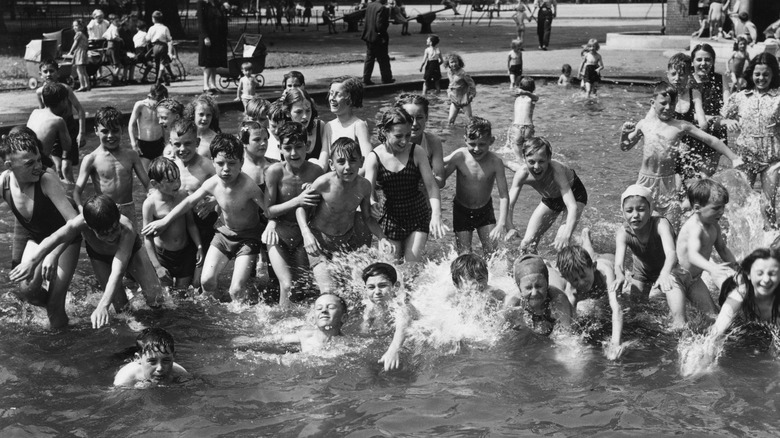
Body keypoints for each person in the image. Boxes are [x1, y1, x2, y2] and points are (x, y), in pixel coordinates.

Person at [143, 134, 266, 303]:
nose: (225, 169)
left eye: (231, 163)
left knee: (236, 290)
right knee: (206, 282)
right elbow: (188, 202)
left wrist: (272, 227)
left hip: (248, 238)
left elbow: (268, 211)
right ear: (213, 161)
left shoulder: (249, 187)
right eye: (220, 163)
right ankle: (214, 313)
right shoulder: (212, 183)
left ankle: (243, 319)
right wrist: (165, 220)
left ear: (241, 163)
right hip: (224, 235)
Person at [12, 195, 164, 329]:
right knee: (120, 306)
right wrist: (32, 261)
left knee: (155, 296)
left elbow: (118, 270)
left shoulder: (127, 228)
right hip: (99, 257)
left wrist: (103, 305)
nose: (111, 237)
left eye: (114, 229)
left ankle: (161, 325)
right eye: (104, 234)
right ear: (90, 227)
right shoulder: (80, 222)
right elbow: (56, 237)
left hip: (132, 253)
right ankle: (135, 327)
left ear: (118, 215)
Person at [620, 82, 742, 223]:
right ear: (652, 103)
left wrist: (733, 157)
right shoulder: (643, 124)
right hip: (645, 181)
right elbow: (625, 147)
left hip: (668, 182)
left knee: (670, 222)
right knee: (640, 222)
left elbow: (711, 140)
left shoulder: (680, 126)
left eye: (672, 104)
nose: (668, 107)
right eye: (663, 103)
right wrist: (624, 134)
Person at [0, 131, 80, 329]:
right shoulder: (4, 183)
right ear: (9, 166)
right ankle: (67, 313)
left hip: (65, 240)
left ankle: (61, 340)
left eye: (38, 160)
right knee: (27, 292)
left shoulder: (47, 180)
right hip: (37, 238)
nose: (38, 166)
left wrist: (52, 254)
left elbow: (74, 223)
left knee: (54, 305)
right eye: (29, 163)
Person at [298, 138, 390, 293]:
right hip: (318, 243)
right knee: (328, 291)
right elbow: (300, 209)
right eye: (341, 162)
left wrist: (382, 237)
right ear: (331, 164)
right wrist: (306, 234)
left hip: (345, 242)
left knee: (354, 290)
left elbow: (367, 218)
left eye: (353, 160)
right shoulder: (323, 183)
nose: (348, 167)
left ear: (361, 161)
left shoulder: (364, 186)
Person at [364, 108, 447, 263]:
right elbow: (367, 191)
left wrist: (436, 214)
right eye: (398, 136)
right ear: (385, 131)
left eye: (408, 135)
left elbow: (432, 186)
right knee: (391, 269)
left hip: (418, 216)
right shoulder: (374, 157)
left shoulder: (417, 152)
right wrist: (372, 203)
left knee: (411, 267)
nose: (404, 141)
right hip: (391, 220)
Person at [263, 122, 324, 307]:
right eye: (287, 148)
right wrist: (297, 200)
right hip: (279, 236)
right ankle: (281, 325)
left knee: (302, 288)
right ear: (280, 148)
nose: (293, 153)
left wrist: (314, 192)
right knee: (287, 285)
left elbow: (320, 208)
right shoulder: (275, 172)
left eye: (298, 147)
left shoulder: (316, 172)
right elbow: (268, 211)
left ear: (308, 146)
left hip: (302, 238)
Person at [721, 53, 780, 226]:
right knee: (742, 203)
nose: (761, 78)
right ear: (751, 74)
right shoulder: (740, 97)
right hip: (746, 157)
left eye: (766, 74)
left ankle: (772, 244)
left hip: (772, 159)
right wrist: (728, 121)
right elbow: (720, 117)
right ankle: (743, 242)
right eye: (757, 74)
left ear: (773, 75)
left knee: (767, 205)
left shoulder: (778, 98)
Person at [669, 179, 737, 328]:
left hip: (694, 280)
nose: (721, 211)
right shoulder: (695, 227)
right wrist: (712, 268)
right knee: (679, 324)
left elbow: (723, 249)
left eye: (723, 207)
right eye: (716, 208)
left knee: (713, 316)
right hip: (676, 279)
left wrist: (738, 268)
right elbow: (693, 255)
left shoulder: (714, 226)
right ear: (697, 208)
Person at [505, 137, 587, 253]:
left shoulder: (556, 171)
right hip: (550, 199)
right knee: (526, 244)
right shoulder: (522, 174)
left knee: (560, 242)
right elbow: (509, 204)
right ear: (524, 158)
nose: (537, 167)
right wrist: (510, 228)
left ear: (549, 158)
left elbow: (572, 206)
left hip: (574, 194)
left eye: (541, 161)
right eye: (532, 162)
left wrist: (566, 235)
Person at [74, 106, 150, 227]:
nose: (110, 136)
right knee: (107, 242)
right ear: (96, 131)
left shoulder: (131, 155)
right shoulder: (91, 159)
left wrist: (153, 198)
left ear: (122, 130)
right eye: (105, 131)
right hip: (103, 210)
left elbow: (148, 185)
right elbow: (77, 192)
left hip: (128, 208)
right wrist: (82, 211)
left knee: (132, 242)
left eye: (115, 130)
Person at [443, 117, 509, 255]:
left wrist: (501, 223)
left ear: (491, 141)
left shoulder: (495, 162)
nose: (477, 149)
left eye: (482, 144)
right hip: (461, 210)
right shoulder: (460, 156)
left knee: (492, 253)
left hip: (485, 210)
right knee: (465, 254)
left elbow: (503, 195)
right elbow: (440, 180)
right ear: (465, 139)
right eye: (472, 144)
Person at [551, 239, 623, 355]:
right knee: (588, 256)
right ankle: (586, 240)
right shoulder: (572, 292)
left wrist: (615, 343)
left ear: (594, 267)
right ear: (566, 278)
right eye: (574, 280)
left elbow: (616, 308)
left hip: (607, 260)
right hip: (589, 265)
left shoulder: (606, 275)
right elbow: (569, 322)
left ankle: (586, 238)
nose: (581, 282)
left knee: (592, 255)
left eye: (583, 276)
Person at [142, 157, 203, 289]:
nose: (177, 184)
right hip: (163, 255)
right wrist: (157, 266)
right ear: (155, 184)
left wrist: (199, 246)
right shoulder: (150, 204)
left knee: (183, 292)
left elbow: (191, 224)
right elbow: (147, 238)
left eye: (178, 179)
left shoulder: (183, 196)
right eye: (170, 181)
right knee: (166, 293)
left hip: (185, 252)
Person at [169, 119, 217, 287]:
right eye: (177, 144)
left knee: (199, 279)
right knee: (182, 275)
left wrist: (214, 201)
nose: (182, 149)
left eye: (188, 143)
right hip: (181, 225)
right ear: (170, 144)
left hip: (203, 223)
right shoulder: (171, 166)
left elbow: (227, 187)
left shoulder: (207, 166)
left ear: (197, 142)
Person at [611, 185, 677, 302]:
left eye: (641, 209)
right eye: (629, 211)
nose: (635, 215)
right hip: (643, 272)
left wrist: (665, 274)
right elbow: (619, 264)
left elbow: (671, 252)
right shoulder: (623, 232)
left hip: (670, 268)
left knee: (675, 304)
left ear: (650, 210)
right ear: (623, 213)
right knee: (636, 308)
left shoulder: (660, 224)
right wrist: (620, 275)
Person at [233, 293, 349, 352]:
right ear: (313, 319)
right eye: (319, 308)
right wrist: (247, 341)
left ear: (343, 318)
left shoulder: (347, 345)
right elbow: (273, 340)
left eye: (331, 307)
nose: (324, 310)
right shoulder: (304, 337)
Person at [708, 248, 780, 340]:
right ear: (749, 274)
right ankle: (716, 273)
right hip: (731, 287)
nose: (766, 279)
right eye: (759, 273)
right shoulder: (738, 296)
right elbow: (715, 335)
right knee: (724, 284)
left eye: (772, 273)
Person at [35, 60, 86, 182]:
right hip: (54, 131)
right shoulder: (40, 92)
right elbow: (43, 114)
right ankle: (64, 194)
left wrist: (82, 133)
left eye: (51, 71)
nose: (48, 74)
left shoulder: (65, 89)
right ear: (40, 74)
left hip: (68, 130)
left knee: (66, 168)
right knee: (58, 168)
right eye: (45, 71)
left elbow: (80, 110)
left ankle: (74, 196)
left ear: (57, 73)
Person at [685, 43, 731, 178]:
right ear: (692, 62)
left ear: (713, 61)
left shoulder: (720, 79)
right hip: (692, 132)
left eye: (707, 59)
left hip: (716, 133)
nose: (703, 63)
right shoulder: (687, 81)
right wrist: (710, 119)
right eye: (699, 59)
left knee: (705, 177)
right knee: (688, 177)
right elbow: (682, 112)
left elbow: (727, 106)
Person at [361, 262, 418, 370]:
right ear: (365, 289)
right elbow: (364, 333)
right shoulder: (370, 307)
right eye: (371, 287)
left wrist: (393, 350)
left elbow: (403, 326)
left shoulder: (402, 307)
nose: (377, 292)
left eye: (382, 286)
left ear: (395, 286)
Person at [393, 94, 445, 188]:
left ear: (426, 117)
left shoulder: (432, 142)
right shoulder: (392, 143)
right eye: (409, 118)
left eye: (419, 117)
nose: (414, 123)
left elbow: (440, 180)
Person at [512, 254, 572, 335]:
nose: (534, 293)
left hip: (558, 279)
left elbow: (568, 337)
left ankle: (547, 264)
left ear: (547, 285)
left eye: (539, 286)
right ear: (520, 289)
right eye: (528, 288)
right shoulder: (512, 304)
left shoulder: (559, 299)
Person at [26, 82, 73, 184]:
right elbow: (67, 146)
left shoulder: (35, 112)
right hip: (38, 162)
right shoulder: (58, 120)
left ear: (43, 99)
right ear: (63, 101)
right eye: (66, 100)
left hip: (25, 158)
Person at [114, 328, 189, 387]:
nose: (160, 368)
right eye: (152, 361)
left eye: (166, 361)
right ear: (138, 358)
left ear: (173, 357)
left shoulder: (180, 373)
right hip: (123, 359)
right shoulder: (125, 377)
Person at [323, 77, 373, 159]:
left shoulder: (358, 126)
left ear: (351, 99)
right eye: (331, 93)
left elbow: (368, 160)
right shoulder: (328, 126)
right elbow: (324, 159)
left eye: (338, 94)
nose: (332, 98)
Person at [280, 88, 328, 169]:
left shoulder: (320, 126)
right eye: (299, 112)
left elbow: (324, 164)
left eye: (308, 110)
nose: (305, 116)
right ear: (288, 113)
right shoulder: (282, 131)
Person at [129, 84, 169, 170]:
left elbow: (163, 125)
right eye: (158, 100)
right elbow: (131, 125)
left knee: (159, 173)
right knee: (145, 173)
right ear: (152, 95)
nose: (159, 103)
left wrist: (165, 142)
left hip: (159, 143)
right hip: (144, 145)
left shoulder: (161, 107)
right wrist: (133, 144)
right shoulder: (140, 105)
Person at [198, 0, 228, 94]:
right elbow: (201, 22)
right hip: (208, 37)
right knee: (208, 62)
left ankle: (213, 85)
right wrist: (205, 36)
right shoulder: (202, 4)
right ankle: (206, 86)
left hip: (217, 37)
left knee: (214, 63)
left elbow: (222, 19)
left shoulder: (217, 4)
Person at [361, 0, 394, 86]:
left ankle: (366, 78)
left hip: (369, 36)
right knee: (383, 58)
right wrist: (383, 35)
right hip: (378, 37)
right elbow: (380, 25)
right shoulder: (381, 8)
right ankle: (386, 78)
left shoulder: (370, 6)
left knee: (369, 58)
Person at [508, 77, 538, 157]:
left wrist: (524, 92)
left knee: (517, 145)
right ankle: (526, 160)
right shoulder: (530, 98)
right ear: (533, 88)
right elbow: (536, 97)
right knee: (528, 145)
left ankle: (519, 161)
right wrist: (527, 93)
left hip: (517, 127)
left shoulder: (518, 98)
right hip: (527, 127)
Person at [185, 95, 221, 159]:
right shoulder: (184, 135)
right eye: (201, 114)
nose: (205, 118)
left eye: (208, 115)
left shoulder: (215, 139)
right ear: (193, 115)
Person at [445, 53, 476, 125]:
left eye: (455, 62)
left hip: (464, 99)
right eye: (451, 62)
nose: (454, 64)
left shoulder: (463, 73)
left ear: (459, 62)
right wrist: (449, 92)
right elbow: (451, 84)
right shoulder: (449, 73)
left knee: (469, 121)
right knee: (450, 121)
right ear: (448, 64)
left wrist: (472, 94)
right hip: (454, 99)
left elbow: (471, 84)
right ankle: (452, 135)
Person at [145, 10, 175, 86]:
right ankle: (159, 79)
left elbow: (147, 39)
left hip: (154, 46)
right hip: (162, 46)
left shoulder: (151, 28)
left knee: (157, 63)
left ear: (153, 19)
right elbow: (169, 39)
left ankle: (164, 78)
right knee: (163, 63)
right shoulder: (165, 28)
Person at [67, 20, 90, 92]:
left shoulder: (78, 34)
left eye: (76, 26)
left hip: (80, 53)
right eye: (73, 26)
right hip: (83, 53)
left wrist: (70, 51)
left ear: (81, 27)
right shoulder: (83, 34)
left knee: (79, 71)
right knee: (84, 71)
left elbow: (75, 43)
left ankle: (82, 86)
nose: (74, 27)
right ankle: (87, 85)